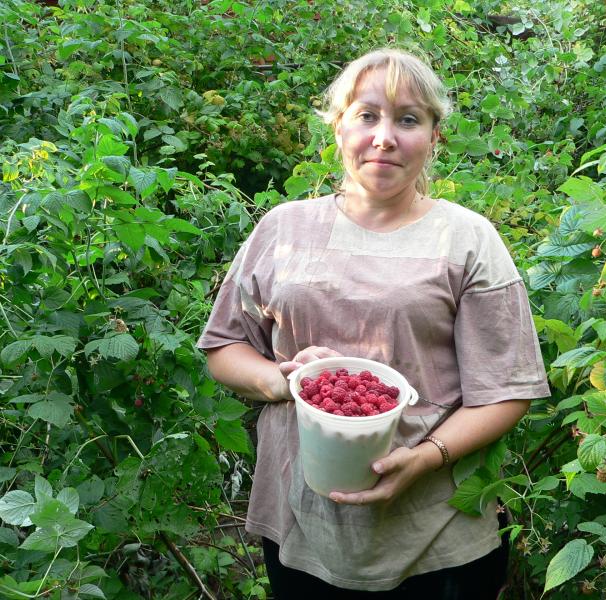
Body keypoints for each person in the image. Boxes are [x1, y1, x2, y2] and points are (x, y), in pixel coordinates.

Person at [197, 48, 551, 599]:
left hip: (436, 531)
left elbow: (508, 389)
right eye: (366, 115)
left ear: (434, 136)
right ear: (337, 127)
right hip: (303, 521)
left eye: (408, 119)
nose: (384, 137)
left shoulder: (467, 238)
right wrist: (280, 380)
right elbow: (224, 347)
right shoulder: (281, 229)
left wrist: (424, 460)